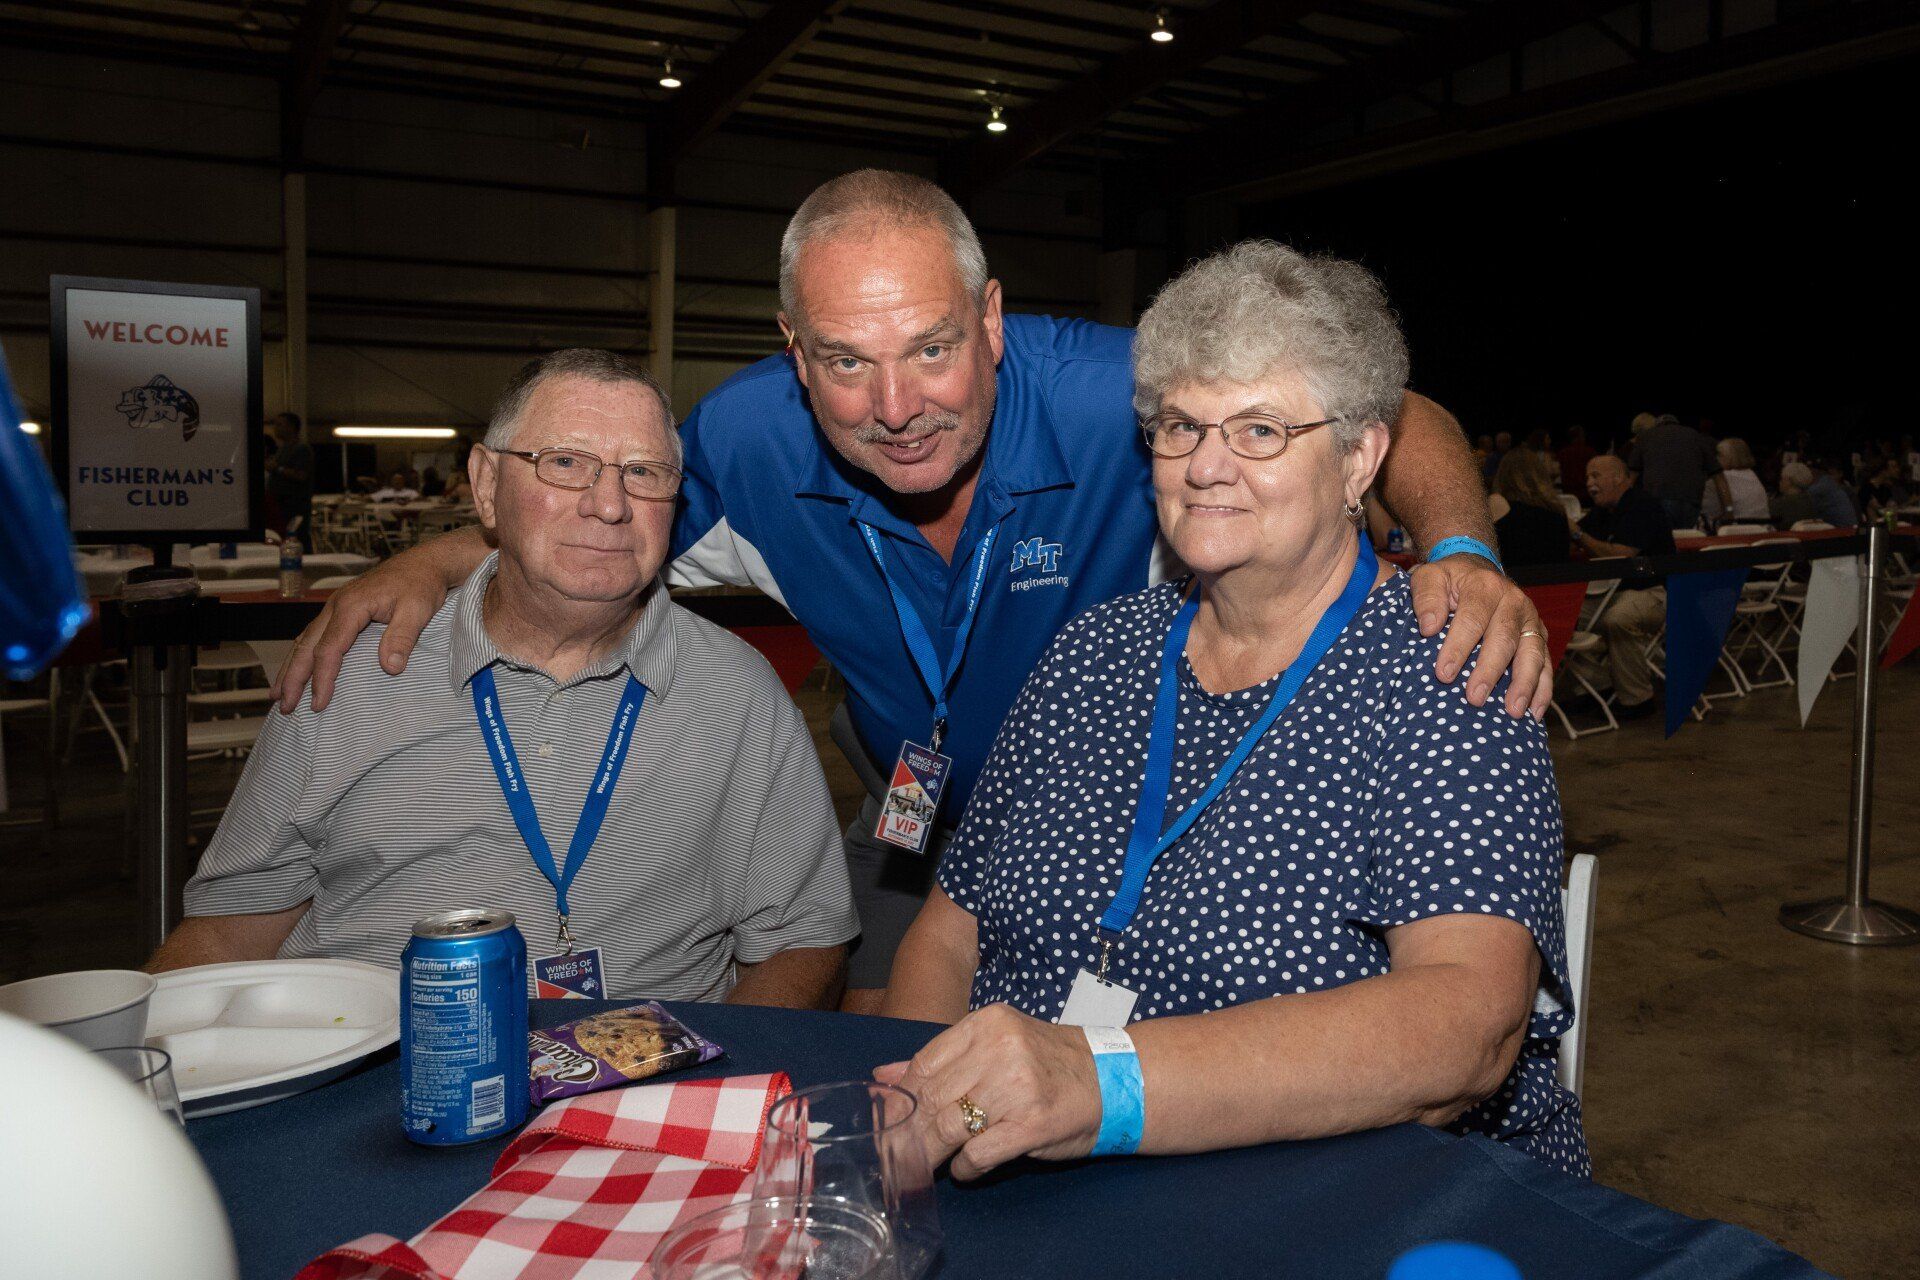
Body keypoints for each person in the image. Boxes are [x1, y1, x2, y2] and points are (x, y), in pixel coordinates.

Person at [270, 170, 1554, 993]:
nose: (896, 409)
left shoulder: (1122, 398)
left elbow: (1396, 409)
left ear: (992, 322)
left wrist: (1462, 549)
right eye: (843, 361)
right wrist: (443, 552)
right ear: (792, 353)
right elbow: (591, 517)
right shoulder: (749, 436)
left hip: (1119, 807)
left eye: (934, 348)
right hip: (915, 815)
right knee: (871, 1029)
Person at [877, 241, 1585, 1182]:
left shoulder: (1448, 663)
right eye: (1179, 426)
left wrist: (1098, 1085)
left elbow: (1467, 1027)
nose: (1206, 466)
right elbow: (948, 928)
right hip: (1022, 1172)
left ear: (1359, 457)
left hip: (1337, 1199)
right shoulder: (1095, 651)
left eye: (1259, 431)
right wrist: (927, 1122)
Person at [147, 350, 858, 1007]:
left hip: (639, 1100)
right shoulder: (355, 672)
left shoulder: (736, 695)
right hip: (370, 1084)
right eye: (566, 463)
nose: (609, 504)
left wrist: (703, 1095)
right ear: (486, 485)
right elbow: (225, 937)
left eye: (643, 472)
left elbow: (806, 940)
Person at [1566, 456, 1675, 720]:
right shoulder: (1602, 513)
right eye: (1588, 477)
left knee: (1619, 618)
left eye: (1595, 476)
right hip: (1615, 593)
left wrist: (1578, 535)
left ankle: (1637, 699)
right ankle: (1596, 689)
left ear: (1618, 477)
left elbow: (1622, 556)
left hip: (1658, 592)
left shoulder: (1642, 506)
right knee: (1569, 615)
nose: (1589, 483)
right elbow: (1573, 544)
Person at [1629, 413, 1726, 531]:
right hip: (1691, 499)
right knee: (1685, 539)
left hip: (1659, 496)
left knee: (1664, 541)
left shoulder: (1646, 437)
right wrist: (1728, 509)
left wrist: (1626, 508)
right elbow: (1718, 475)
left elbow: (1632, 476)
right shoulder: (1695, 435)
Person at [1490, 448, 1572, 566]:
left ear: (1503, 474)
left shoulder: (1498, 503)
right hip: (1556, 582)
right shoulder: (1557, 510)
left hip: (1515, 581)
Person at [265, 412, 315, 540]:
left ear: (291, 427)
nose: (275, 428)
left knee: (298, 538)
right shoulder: (282, 448)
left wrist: (277, 468)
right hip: (280, 504)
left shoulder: (301, 448)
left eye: (279, 425)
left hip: (294, 506)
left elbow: (301, 475)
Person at [1701, 437, 1769, 526]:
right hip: (1763, 530)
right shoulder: (1752, 475)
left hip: (1736, 533)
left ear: (1731, 457)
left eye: (1719, 455)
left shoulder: (1718, 479)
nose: (1715, 459)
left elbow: (1709, 515)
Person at [1802, 457, 1860, 527]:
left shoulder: (1823, 485)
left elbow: (1803, 502)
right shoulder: (1828, 483)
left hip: (1844, 532)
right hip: (1849, 529)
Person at [1771, 462, 1820, 527]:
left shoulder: (1779, 504)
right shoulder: (1811, 500)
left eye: (1781, 479)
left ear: (1789, 481)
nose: (1780, 482)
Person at [1556, 425, 1597, 497]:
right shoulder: (1590, 452)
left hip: (1568, 491)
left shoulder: (1563, 453)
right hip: (1586, 492)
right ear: (1582, 436)